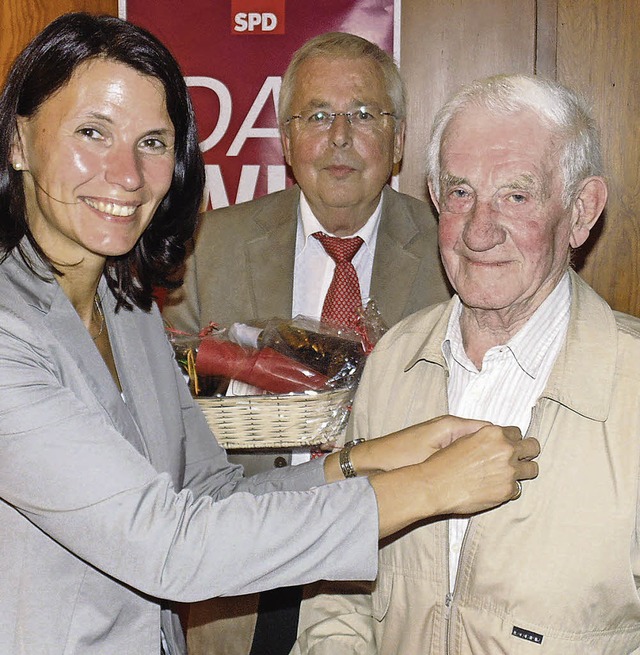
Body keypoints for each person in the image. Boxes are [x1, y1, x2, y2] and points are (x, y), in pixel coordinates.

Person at [0, 15, 540, 655]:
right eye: (93, 132)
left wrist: (368, 459)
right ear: (19, 141)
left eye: (152, 141)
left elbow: (209, 492)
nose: (126, 174)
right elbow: (168, 545)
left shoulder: (130, 310)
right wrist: (428, 487)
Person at [290, 73, 640, 654]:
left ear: (581, 211)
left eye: (516, 195)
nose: (479, 230)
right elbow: (340, 585)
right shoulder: (394, 360)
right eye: (460, 193)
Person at [162, 31, 452, 655]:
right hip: (245, 578)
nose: (340, 137)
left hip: (396, 570)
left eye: (364, 115)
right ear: (287, 141)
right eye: (318, 116)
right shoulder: (209, 247)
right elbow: (169, 417)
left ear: (399, 140)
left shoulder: (453, 253)